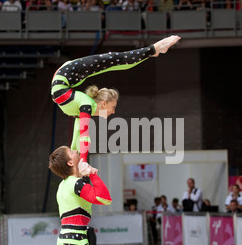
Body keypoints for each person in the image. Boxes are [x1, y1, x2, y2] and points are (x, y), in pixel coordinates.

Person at [51, 35, 181, 171]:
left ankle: (154, 49)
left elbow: (80, 137)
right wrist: (81, 162)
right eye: (113, 107)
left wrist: (79, 163)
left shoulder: (85, 105)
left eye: (113, 107)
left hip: (65, 75)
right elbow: (82, 136)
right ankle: (153, 50)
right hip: (65, 75)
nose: (113, 111)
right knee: (114, 62)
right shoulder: (85, 104)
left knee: (114, 61)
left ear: (103, 104)